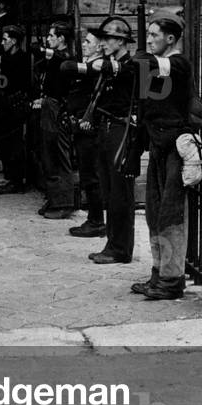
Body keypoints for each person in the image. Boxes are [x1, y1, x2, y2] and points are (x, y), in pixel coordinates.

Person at [130, 10, 196, 300]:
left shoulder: (178, 63)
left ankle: (172, 279)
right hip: (158, 145)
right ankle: (158, 273)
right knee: (154, 212)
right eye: (150, 33)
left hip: (176, 148)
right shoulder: (158, 64)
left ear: (171, 38)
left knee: (170, 214)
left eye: (155, 35)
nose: (151, 39)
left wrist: (136, 58)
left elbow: (147, 63)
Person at [64, 16, 137, 263]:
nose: (102, 43)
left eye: (106, 39)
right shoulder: (113, 64)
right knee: (109, 191)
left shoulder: (131, 64)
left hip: (122, 131)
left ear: (120, 41)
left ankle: (121, 248)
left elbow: (137, 85)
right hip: (107, 130)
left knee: (120, 194)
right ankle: (113, 244)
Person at [66, 28, 107, 238]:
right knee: (87, 175)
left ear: (100, 46)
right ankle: (94, 218)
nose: (84, 44)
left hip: (89, 128)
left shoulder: (97, 68)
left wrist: (87, 119)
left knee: (91, 176)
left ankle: (96, 220)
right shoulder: (89, 66)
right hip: (81, 125)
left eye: (89, 41)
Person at [34, 24, 76, 220]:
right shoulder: (56, 59)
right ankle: (54, 199)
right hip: (49, 108)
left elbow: (62, 91)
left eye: (51, 36)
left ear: (61, 39)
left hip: (57, 110)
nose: (48, 39)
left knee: (59, 155)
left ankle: (65, 203)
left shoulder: (64, 60)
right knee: (48, 154)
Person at [0, 25, 31, 196]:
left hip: (17, 106)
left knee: (16, 145)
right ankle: (12, 178)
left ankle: (17, 181)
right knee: (6, 144)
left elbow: (22, 84)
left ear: (14, 41)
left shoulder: (23, 59)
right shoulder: (4, 58)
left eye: (5, 39)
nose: (2, 43)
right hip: (5, 106)